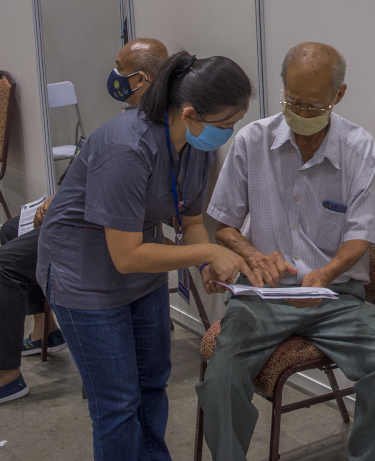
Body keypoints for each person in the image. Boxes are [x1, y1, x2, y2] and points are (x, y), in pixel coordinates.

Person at [33, 51, 257, 460]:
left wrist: (205, 261)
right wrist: (206, 251)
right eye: (226, 124)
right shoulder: (126, 146)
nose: (229, 132)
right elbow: (126, 256)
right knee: (117, 402)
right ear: (189, 113)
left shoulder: (196, 145)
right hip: (84, 276)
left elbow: (189, 222)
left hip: (143, 269)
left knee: (152, 383)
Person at [195, 42, 375, 461]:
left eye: (313, 106)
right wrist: (253, 255)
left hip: (335, 297)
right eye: (292, 101)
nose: (300, 113)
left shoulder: (357, 148)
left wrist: (326, 274)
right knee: (221, 379)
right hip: (263, 294)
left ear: (338, 95)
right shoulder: (250, 142)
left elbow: (360, 236)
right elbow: (222, 225)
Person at [0, 37, 169, 412]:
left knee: (2, 264)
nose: (113, 74)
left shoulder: (147, 129)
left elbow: (123, 195)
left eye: (120, 67)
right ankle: (45, 332)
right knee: (9, 232)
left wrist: (67, 205)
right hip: (83, 214)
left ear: (143, 79)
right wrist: (61, 199)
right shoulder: (132, 118)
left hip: (93, 232)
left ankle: (5, 377)